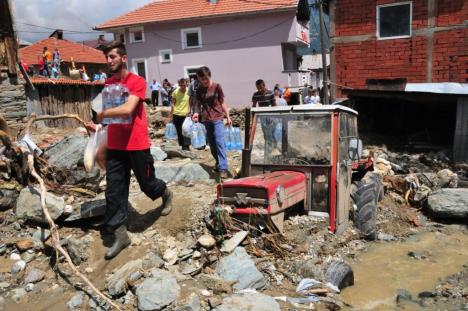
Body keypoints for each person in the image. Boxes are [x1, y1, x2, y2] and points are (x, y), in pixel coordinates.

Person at [90, 41, 173, 260]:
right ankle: (120, 234)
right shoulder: (108, 83)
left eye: (112, 57)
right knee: (114, 191)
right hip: (116, 145)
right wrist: (100, 129)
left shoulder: (137, 81)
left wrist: (101, 115)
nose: (109, 61)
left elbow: (127, 109)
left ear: (123, 58)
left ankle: (165, 193)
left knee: (147, 184)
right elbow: (112, 114)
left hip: (136, 144)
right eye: (107, 57)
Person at [192, 66, 231, 178]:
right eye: (201, 79)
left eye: (205, 78)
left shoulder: (217, 86)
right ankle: (218, 162)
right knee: (212, 145)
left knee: (219, 141)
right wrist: (196, 113)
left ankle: (223, 168)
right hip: (206, 119)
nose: (204, 81)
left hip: (218, 117)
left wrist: (227, 116)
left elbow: (222, 101)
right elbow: (197, 104)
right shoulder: (199, 89)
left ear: (209, 76)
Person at [170, 78, 191, 150]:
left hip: (185, 114)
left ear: (186, 84)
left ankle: (187, 145)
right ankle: (182, 145)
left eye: (184, 85)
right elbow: (173, 103)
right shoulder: (175, 92)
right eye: (181, 85)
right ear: (179, 85)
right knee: (179, 131)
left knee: (186, 130)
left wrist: (190, 110)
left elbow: (191, 101)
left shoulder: (189, 91)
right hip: (176, 114)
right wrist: (171, 115)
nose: (183, 87)